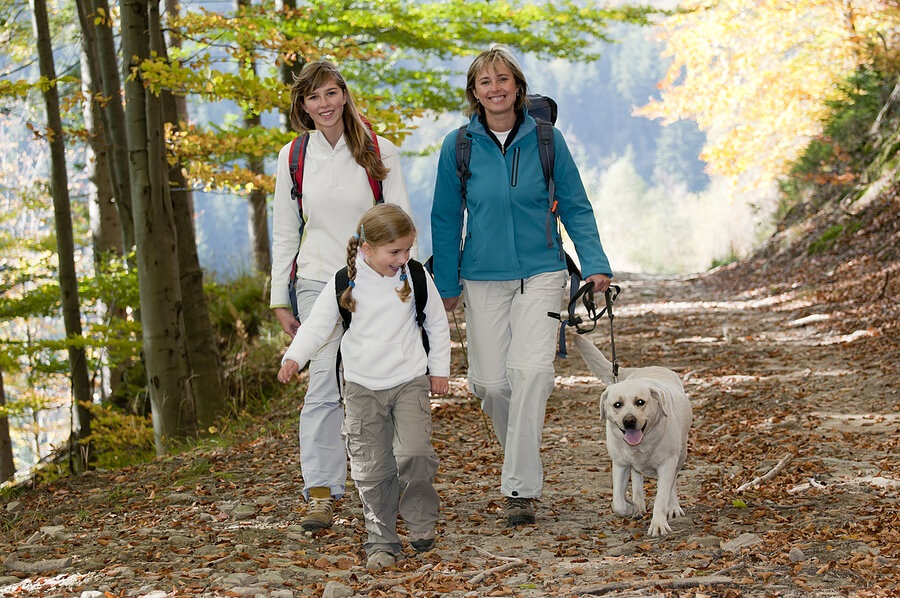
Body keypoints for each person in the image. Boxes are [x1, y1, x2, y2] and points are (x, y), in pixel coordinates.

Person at [430, 46, 613, 527]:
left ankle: (519, 488)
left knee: (531, 373)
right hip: (481, 275)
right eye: (485, 81)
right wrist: (445, 283)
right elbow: (445, 218)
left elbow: (576, 205)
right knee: (490, 383)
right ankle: (523, 460)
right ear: (474, 92)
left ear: (518, 85)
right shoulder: (459, 145)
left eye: (503, 79)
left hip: (542, 271)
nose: (495, 88)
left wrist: (595, 264)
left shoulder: (547, 140)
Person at [270, 60, 414, 531]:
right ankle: (321, 491)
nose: (324, 104)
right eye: (314, 97)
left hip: (373, 284)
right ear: (303, 105)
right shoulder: (292, 157)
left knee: (379, 383)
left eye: (332, 93)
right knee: (323, 388)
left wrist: (405, 287)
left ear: (345, 95)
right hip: (316, 281)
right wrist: (280, 297)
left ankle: (384, 483)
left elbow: (402, 227)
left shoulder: (380, 151)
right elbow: (285, 232)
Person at [277, 203, 451, 571]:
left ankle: (420, 521)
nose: (403, 258)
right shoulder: (345, 282)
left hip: (409, 380)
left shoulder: (415, 276)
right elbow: (317, 325)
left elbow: (436, 323)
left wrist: (440, 371)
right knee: (372, 468)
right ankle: (381, 538)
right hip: (360, 387)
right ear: (367, 249)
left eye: (407, 249)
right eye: (395, 252)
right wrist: (294, 358)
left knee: (414, 454)